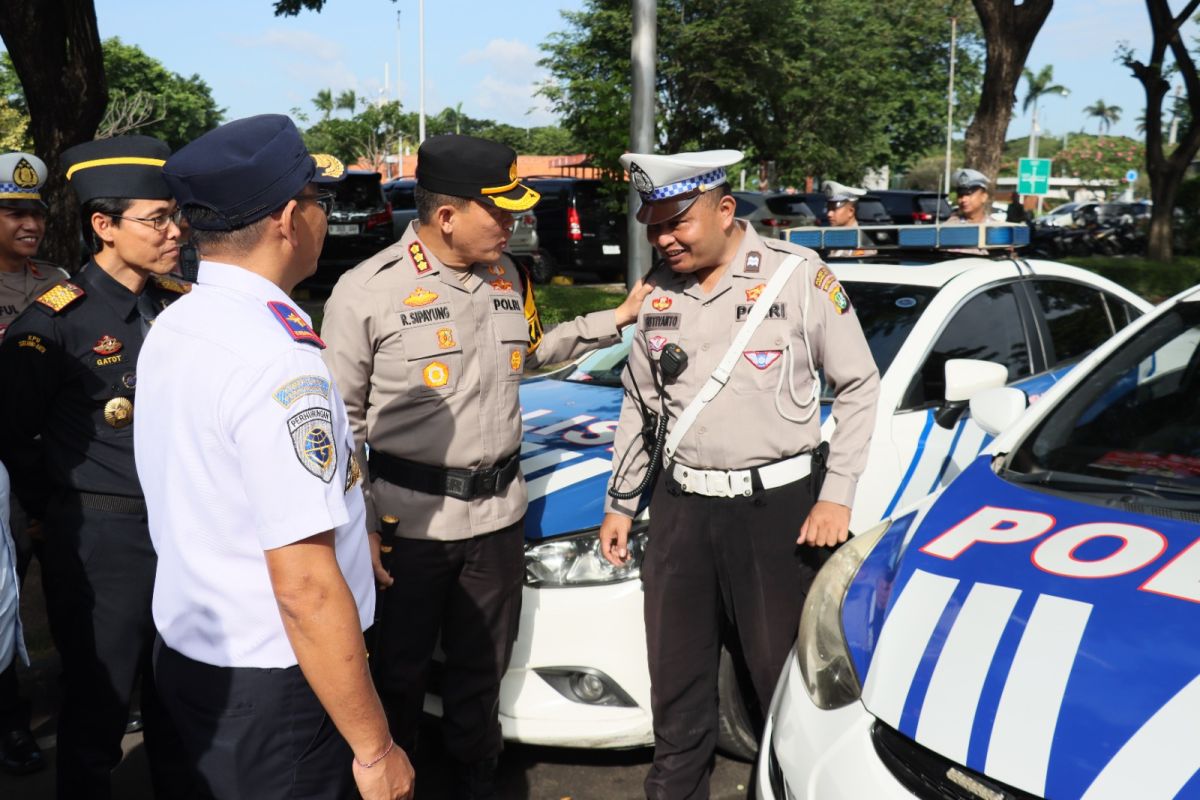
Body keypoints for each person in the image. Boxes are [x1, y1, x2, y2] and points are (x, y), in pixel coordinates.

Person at [320, 133, 649, 798]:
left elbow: (529, 352)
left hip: (499, 514)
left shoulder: (508, 276)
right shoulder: (366, 292)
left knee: (483, 666)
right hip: (407, 523)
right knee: (400, 673)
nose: (515, 223)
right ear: (447, 215)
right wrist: (359, 526)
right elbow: (340, 425)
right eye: (499, 211)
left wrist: (612, 319)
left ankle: (476, 779)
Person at [139, 114, 413, 800]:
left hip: (191, 657)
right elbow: (305, 586)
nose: (324, 217)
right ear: (290, 217)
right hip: (277, 687)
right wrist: (375, 750)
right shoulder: (275, 355)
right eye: (319, 202)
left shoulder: (181, 321)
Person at [599, 150, 880, 800]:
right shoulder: (657, 292)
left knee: (780, 686)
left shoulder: (796, 277)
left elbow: (860, 384)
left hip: (776, 516)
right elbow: (642, 404)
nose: (664, 238)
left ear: (725, 211)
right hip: (680, 513)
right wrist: (621, 502)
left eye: (677, 222)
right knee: (677, 688)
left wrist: (836, 496)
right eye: (653, 225)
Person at [0, 135, 195, 800]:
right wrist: (50, 515)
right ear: (103, 227)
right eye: (157, 218)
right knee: (99, 708)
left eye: (176, 215)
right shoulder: (52, 325)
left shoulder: (183, 304)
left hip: (189, 531)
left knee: (182, 700)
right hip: (103, 537)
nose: (174, 231)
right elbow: (12, 432)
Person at [0, 150, 62, 776]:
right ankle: (11, 720)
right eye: (12, 212)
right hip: (1, 475)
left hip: (57, 464)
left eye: (35, 214)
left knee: (73, 585)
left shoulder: (58, 281)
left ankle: (86, 695)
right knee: (3, 600)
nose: (29, 224)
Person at [822, 179, 876, 257]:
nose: (829, 214)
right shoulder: (828, 238)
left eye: (834, 209)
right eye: (828, 209)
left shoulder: (863, 243)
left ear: (851, 211)